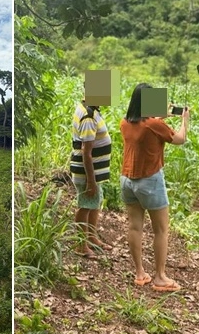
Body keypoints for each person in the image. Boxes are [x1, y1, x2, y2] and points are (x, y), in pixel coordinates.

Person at [119, 83, 189, 292]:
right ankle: (160, 276)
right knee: (161, 230)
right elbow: (180, 139)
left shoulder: (125, 123)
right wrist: (185, 120)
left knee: (135, 227)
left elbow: (146, 126)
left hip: (127, 180)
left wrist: (161, 116)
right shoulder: (155, 125)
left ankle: (140, 273)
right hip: (149, 181)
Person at [70, 95, 112, 258]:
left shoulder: (91, 110)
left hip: (94, 171)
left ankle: (91, 237)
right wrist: (91, 181)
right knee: (85, 206)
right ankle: (81, 245)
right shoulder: (88, 117)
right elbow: (86, 153)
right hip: (87, 172)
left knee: (95, 203)